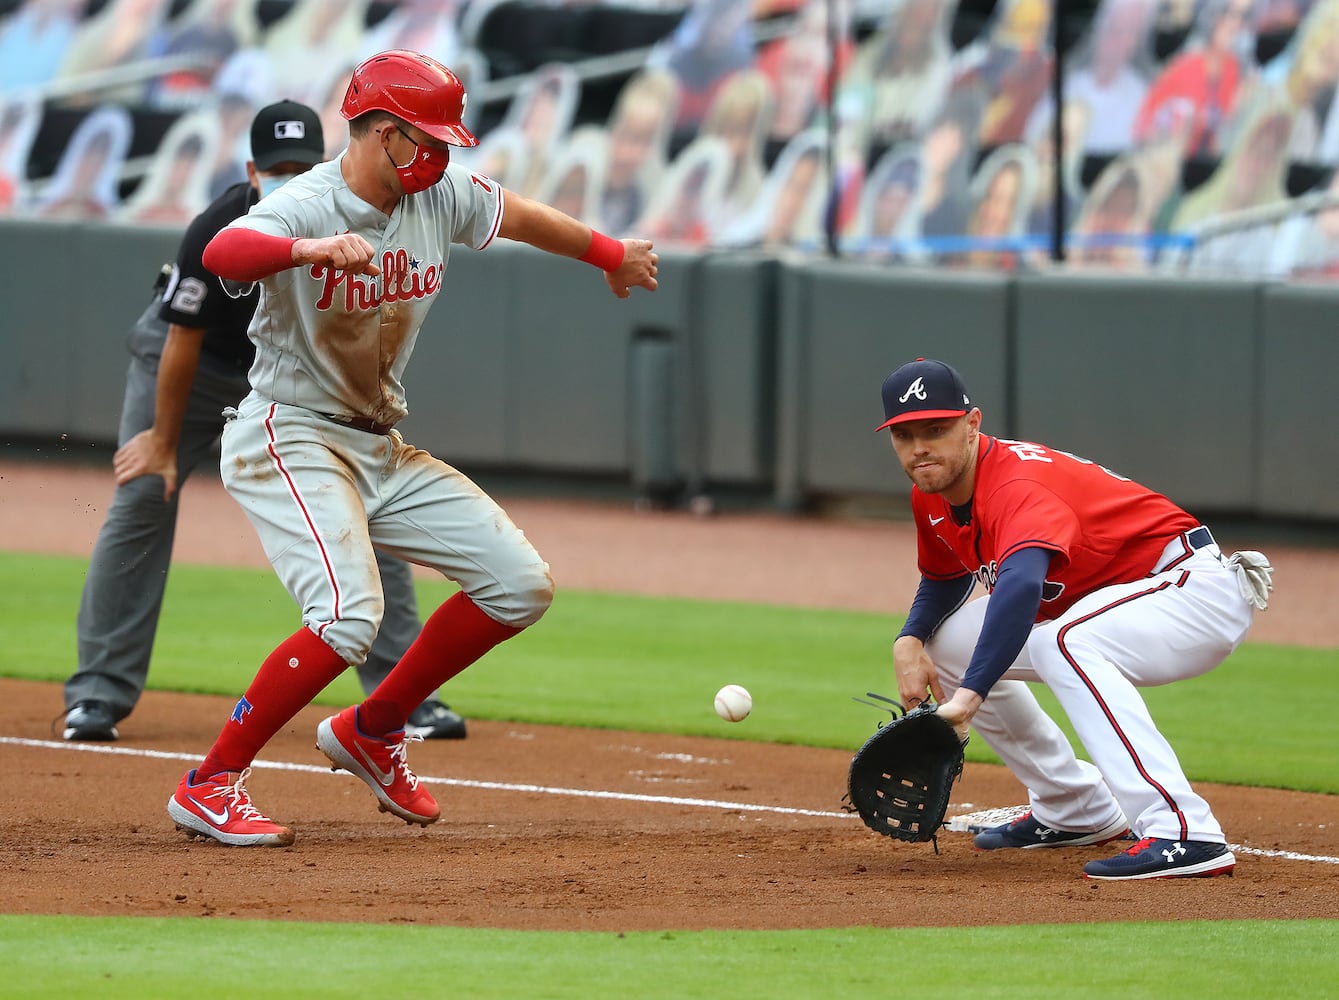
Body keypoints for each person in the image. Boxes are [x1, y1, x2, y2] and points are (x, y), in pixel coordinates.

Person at [166, 49, 658, 847]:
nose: (442, 154)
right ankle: (210, 784)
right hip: (289, 435)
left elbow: (524, 217)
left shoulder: (439, 194)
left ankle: (374, 727)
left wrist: (610, 254)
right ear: (382, 132)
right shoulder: (305, 203)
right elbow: (224, 252)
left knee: (518, 586)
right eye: (427, 139)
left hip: (377, 446)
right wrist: (305, 250)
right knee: (345, 616)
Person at [62, 100, 468, 747]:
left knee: (369, 500)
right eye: (276, 166)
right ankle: (96, 695)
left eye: (301, 164)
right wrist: (164, 444)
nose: (289, 175)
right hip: (192, 368)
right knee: (144, 492)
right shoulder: (218, 226)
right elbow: (182, 341)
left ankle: (405, 699)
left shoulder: (357, 216)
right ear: (251, 169)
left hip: (293, 387)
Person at [880, 357, 1272, 880]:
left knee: (1062, 640)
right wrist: (910, 639)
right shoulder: (931, 494)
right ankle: (1072, 807)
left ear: (972, 424)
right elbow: (946, 576)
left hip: (1190, 590)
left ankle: (1184, 830)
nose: (920, 447)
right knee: (949, 643)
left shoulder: (1015, 485)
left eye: (937, 429)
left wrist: (969, 698)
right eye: (905, 435)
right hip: (1123, 599)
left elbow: (1019, 586)